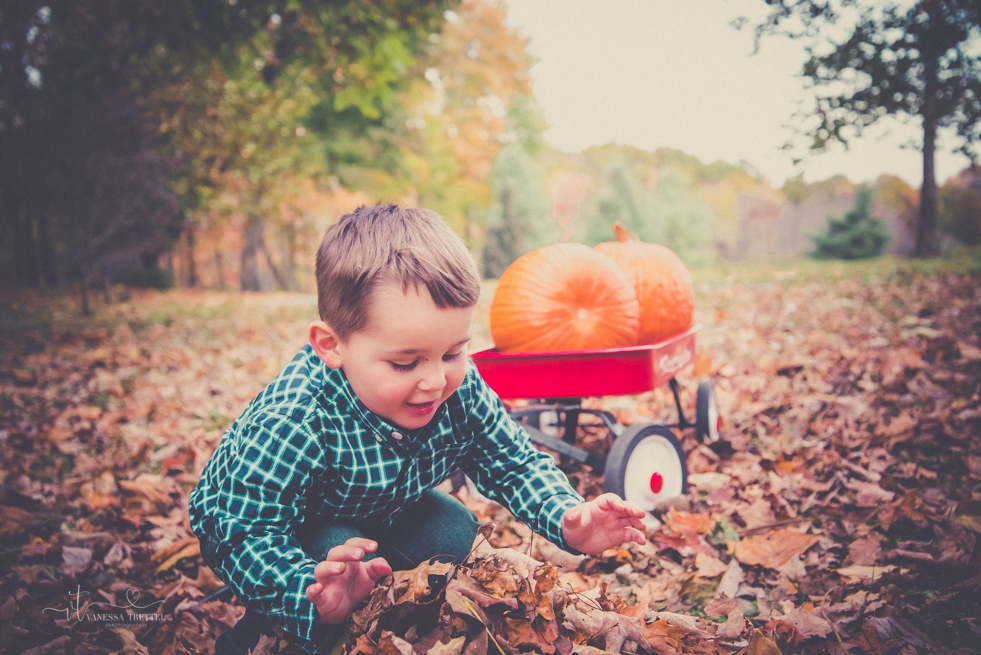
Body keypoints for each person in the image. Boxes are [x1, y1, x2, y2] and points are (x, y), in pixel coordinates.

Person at [188, 204, 647, 654]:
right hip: (275, 526)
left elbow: (511, 462)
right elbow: (243, 531)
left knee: (453, 532)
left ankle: (390, 612)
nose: (435, 381)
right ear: (332, 346)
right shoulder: (295, 420)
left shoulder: (456, 388)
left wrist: (567, 517)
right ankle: (267, 634)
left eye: (452, 353)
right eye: (405, 362)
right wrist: (301, 589)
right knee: (341, 569)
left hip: (377, 506)